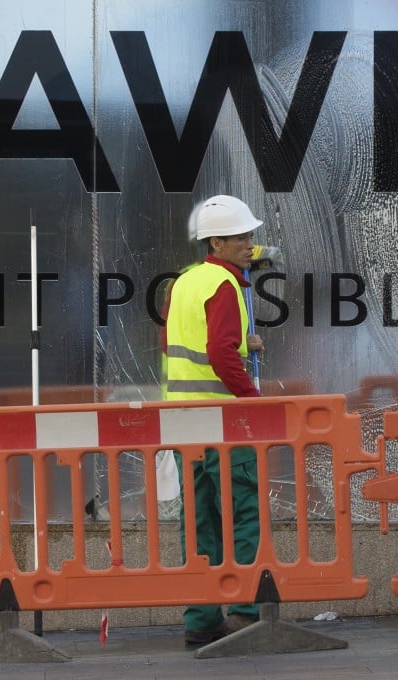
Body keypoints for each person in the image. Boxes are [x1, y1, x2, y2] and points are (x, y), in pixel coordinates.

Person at [162, 195, 264, 646]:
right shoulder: (225, 285)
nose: (249, 244)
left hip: (185, 424)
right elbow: (221, 354)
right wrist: (251, 397)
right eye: (240, 237)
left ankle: (201, 621)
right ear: (216, 242)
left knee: (198, 521)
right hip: (224, 422)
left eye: (249, 235)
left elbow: (176, 347)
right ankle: (246, 612)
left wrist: (247, 342)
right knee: (243, 512)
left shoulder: (185, 283)